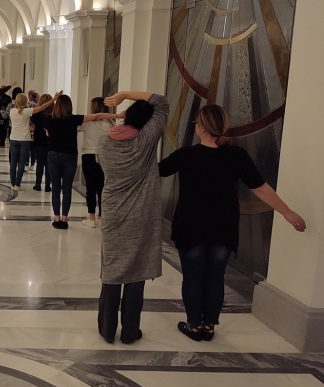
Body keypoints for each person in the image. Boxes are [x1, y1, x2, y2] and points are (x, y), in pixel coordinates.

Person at [159, 104, 306, 341]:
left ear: (202, 127)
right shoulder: (236, 156)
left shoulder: (185, 155)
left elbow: (155, 171)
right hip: (223, 228)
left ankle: (194, 326)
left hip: (191, 227)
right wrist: (286, 211)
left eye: (196, 122)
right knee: (215, 277)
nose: (195, 126)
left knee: (193, 277)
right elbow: (260, 187)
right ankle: (209, 326)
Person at [96, 90, 168, 345]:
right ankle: (129, 331)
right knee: (137, 272)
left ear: (126, 116)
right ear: (148, 122)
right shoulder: (146, 140)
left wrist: (122, 102)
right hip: (142, 214)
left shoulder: (104, 143)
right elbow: (161, 102)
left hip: (113, 212)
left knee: (112, 269)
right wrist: (126, 94)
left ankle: (107, 329)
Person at [45, 95, 118, 229]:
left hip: (56, 155)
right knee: (68, 188)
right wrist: (118, 115)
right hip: (74, 156)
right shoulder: (76, 119)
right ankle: (66, 219)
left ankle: (58, 218)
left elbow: (39, 119)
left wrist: (52, 100)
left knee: (56, 188)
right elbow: (98, 117)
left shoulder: (50, 120)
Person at [8, 91, 60, 192]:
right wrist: (54, 99)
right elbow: (42, 107)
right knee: (24, 163)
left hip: (15, 139)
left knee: (14, 162)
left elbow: (39, 110)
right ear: (26, 102)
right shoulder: (28, 111)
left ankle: (14, 183)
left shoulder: (12, 111)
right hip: (27, 140)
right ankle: (20, 184)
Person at [80, 97, 113, 228]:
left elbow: (75, 127)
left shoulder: (87, 122)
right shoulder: (110, 124)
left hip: (88, 156)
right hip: (105, 157)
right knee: (102, 188)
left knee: (90, 187)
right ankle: (102, 216)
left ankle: (91, 217)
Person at [30, 94, 52, 192]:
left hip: (39, 140)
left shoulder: (37, 114)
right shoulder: (53, 114)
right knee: (49, 165)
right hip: (50, 141)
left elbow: (32, 121)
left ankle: (38, 184)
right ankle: (47, 186)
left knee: (40, 164)